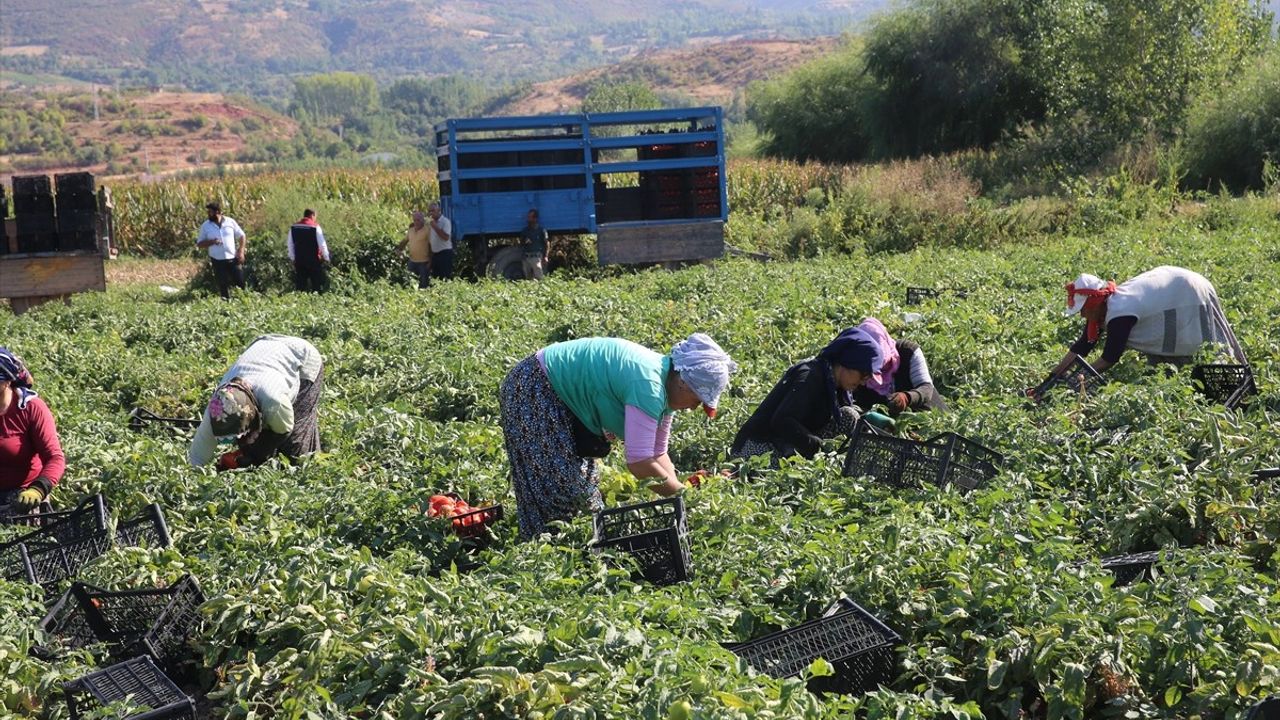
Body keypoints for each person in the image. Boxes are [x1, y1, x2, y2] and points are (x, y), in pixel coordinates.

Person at [499, 333, 738, 539]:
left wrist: (681, 495)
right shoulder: (649, 386)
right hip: (534, 386)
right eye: (698, 399)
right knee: (563, 488)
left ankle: (568, 551)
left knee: (583, 495)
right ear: (685, 383)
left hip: (556, 397)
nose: (695, 407)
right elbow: (639, 462)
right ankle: (546, 554)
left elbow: (658, 453)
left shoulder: (664, 390)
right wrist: (682, 495)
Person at [1033, 266, 1245, 396]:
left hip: (1187, 292)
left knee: (1205, 346)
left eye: (1083, 310)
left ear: (1094, 303)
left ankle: (1234, 388)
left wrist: (1080, 379)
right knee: (1164, 363)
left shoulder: (1119, 313)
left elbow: (1109, 358)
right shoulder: (1104, 310)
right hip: (1176, 284)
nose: (1081, 315)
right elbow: (1082, 347)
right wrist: (1051, 379)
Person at [731, 325, 888, 463]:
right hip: (757, 447)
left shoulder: (834, 383)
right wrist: (818, 446)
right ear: (848, 363)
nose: (863, 382)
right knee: (785, 476)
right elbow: (782, 421)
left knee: (849, 415)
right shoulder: (809, 377)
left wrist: (869, 419)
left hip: (786, 442)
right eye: (863, 375)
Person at [189, 335, 324, 471]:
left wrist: (253, 456)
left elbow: (284, 430)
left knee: (296, 444)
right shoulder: (217, 409)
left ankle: (314, 471)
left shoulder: (273, 402)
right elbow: (197, 458)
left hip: (302, 358)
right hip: (265, 346)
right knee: (255, 443)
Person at [0, 348, 64, 515]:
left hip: (22, 499)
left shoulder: (31, 408)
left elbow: (54, 458)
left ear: (7, 382)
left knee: (18, 539)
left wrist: (38, 490)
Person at [850, 317, 947, 414]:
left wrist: (906, 398)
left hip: (930, 418)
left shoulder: (908, 351)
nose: (878, 366)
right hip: (891, 425)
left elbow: (926, 388)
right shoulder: (862, 368)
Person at [195, 201, 247, 299]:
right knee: (223, 285)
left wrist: (241, 251)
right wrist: (212, 242)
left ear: (217, 212)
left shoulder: (230, 222)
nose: (208, 215)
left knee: (240, 282)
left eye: (210, 212)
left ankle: (242, 302)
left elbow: (242, 235)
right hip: (217, 260)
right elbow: (199, 244)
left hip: (233, 258)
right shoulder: (206, 226)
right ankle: (225, 306)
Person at [287, 209, 330, 293]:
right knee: (316, 285)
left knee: (300, 286)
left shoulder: (294, 227)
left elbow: (290, 244)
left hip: (299, 260)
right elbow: (322, 245)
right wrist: (326, 257)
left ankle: (299, 302)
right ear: (312, 215)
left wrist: (293, 258)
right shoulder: (315, 227)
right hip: (313, 260)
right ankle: (316, 302)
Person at [397, 210, 432, 289]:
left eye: (418, 220)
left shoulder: (427, 230)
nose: (416, 222)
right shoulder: (411, 230)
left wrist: (430, 261)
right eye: (415, 220)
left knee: (424, 285)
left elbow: (431, 246)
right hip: (412, 261)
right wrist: (398, 249)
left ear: (422, 220)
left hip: (424, 262)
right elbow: (404, 241)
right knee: (409, 282)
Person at [519, 209, 549, 280]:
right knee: (528, 279)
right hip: (526, 258)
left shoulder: (541, 230)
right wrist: (525, 241)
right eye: (528, 217)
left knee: (539, 278)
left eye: (530, 217)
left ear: (535, 219)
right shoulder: (525, 231)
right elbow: (521, 243)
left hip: (536, 257)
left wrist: (546, 256)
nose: (528, 219)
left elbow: (547, 243)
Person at [426, 202, 453, 281]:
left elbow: (445, 237)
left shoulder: (445, 222)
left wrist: (435, 226)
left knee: (445, 278)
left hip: (445, 254)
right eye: (429, 211)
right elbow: (430, 242)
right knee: (436, 279)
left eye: (433, 210)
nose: (431, 213)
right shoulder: (430, 224)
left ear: (439, 210)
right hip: (435, 255)